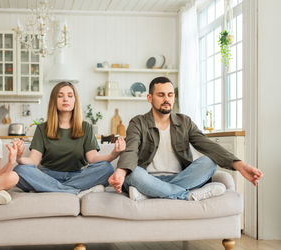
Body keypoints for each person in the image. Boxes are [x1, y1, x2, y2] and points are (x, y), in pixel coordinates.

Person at [108, 76, 263, 201]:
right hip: (148, 178)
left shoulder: (185, 122)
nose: (166, 99)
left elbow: (208, 145)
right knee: (135, 174)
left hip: (180, 177)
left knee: (209, 163)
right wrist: (121, 172)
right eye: (160, 95)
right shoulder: (138, 122)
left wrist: (241, 166)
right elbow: (131, 149)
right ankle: (185, 195)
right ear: (150, 97)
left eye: (170, 95)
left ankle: (151, 193)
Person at [13, 81, 126, 197]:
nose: (65, 99)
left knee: (106, 168)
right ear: (54, 101)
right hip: (47, 176)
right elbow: (34, 161)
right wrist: (19, 158)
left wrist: (113, 155)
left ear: (75, 100)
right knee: (20, 170)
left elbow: (93, 158)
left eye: (70, 96)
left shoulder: (86, 127)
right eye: (60, 96)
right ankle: (74, 191)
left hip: (78, 177)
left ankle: (49, 189)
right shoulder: (42, 128)